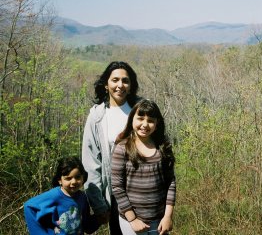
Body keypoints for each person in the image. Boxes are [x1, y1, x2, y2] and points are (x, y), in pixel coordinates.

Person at [82, 61, 141, 235]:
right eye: (115, 80)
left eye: (125, 81)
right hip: (116, 196)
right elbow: (91, 163)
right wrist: (99, 204)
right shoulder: (97, 117)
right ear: (106, 84)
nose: (120, 85)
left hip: (145, 190)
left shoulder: (141, 111)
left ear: (131, 86)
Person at [111, 99, 176, 235]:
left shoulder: (162, 148)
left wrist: (168, 216)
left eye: (151, 120)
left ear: (157, 123)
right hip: (131, 222)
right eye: (140, 118)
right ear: (132, 119)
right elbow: (117, 187)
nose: (145, 124)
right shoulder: (122, 148)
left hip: (159, 221)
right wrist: (133, 219)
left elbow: (171, 182)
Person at [24, 156, 100, 234]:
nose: (73, 182)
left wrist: (100, 219)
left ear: (83, 177)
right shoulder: (54, 196)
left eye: (78, 177)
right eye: (68, 178)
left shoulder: (82, 197)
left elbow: (86, 225)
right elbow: (28, 206)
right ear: (60, 180)